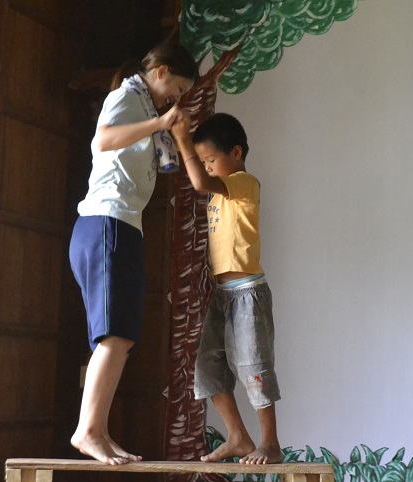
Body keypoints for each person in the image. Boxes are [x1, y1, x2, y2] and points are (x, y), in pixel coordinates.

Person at [69, 42, 198, 465]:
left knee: (120, 338)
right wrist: (160, 122)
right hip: (106, 222)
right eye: (178, 88)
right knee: (113, 336)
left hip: (121, 226)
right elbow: (104, 139)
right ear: (161, 72)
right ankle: (87, 430)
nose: (176, 98)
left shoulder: (145, 109)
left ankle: (98, 431)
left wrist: (170, 129)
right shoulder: (127, 96)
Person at [171, 112, 283, 465]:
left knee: (253, 365)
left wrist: (182, 140)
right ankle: (237, 436)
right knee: (207, 367)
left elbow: (200, 183)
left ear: (236, 152)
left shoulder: (244, 182)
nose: (206, 167)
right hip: (222, 296)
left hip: (247, 293)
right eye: (203, 161)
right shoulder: (220, 193)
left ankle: (271, 443)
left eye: (210, 160)